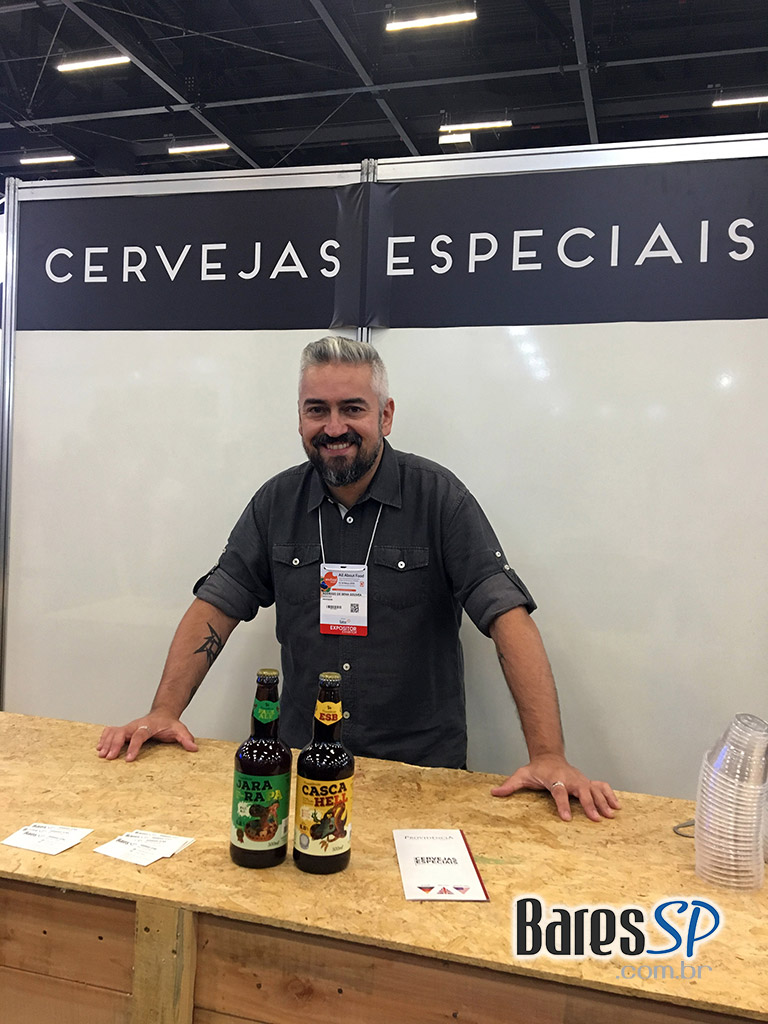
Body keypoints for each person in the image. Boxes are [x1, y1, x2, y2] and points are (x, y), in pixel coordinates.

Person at [98, 336, 619, 822]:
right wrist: (163, 711)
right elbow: (217, 604)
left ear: (385, 416)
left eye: (352, 409)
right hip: (304, 768)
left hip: (422, 779)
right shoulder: (276, 503)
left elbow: (507, 616)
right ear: (299, 418)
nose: (333, 428)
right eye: (317, 410)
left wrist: (548, 755)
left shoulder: (439, 498)